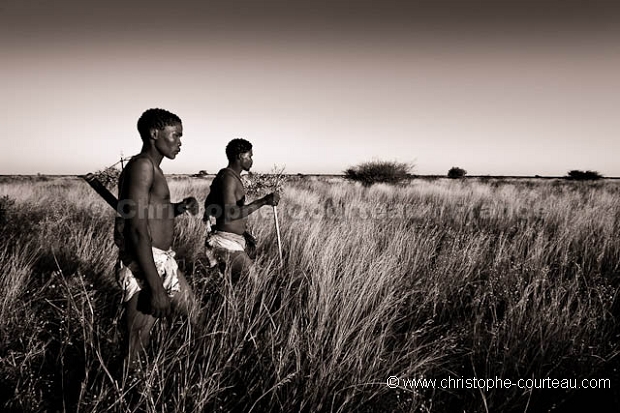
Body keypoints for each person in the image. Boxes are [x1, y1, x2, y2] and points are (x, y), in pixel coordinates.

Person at [116, 108, 199, 366]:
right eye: (175, 135)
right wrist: (156, 289)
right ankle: (128, 398)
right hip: (146, 263)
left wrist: (179, 207)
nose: (180, 143)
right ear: (154, 133)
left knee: (197, 317)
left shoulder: (153, 168)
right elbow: (137, 229)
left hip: (164, 260)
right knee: (136, 349)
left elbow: (155, 211)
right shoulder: (142, 166)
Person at [203, 138, 279, 282]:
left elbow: (210, 206)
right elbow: (231, 213)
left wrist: (242, 232)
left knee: (229, 286)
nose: (251, 160)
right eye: (249, 156)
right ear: (239, 156)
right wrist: (263, 201)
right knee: (255, 286)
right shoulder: (228, 178)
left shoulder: (227, 176)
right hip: (226, 242)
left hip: (230, 239)